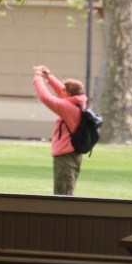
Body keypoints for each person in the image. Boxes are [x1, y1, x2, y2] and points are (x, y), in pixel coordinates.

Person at [32, 65, 88, 196]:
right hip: (72, 153)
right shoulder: (78, 102)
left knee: (63, 195)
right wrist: (49, 77)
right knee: (65, 192)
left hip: (65, 155)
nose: (62, 91)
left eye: (64, 89)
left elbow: (46, 98)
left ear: (70, 94)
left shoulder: (68, 107)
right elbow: (63, 93)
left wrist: (38, 78)